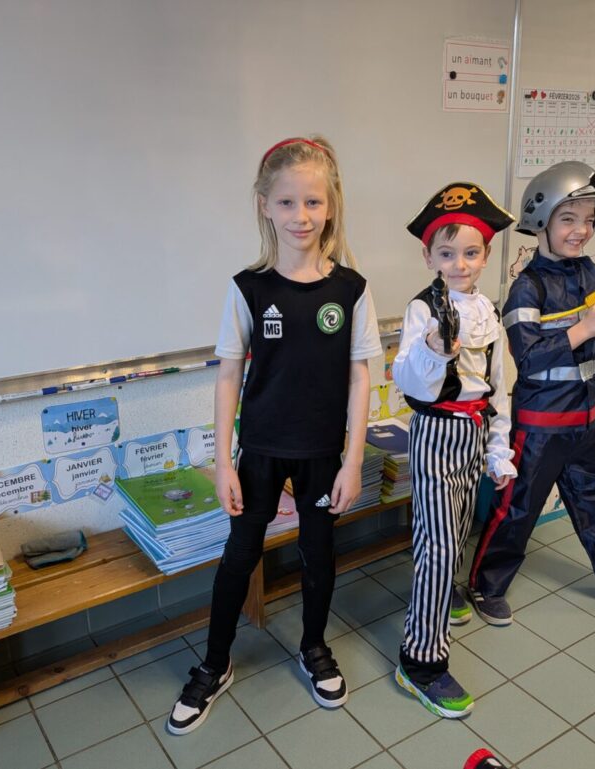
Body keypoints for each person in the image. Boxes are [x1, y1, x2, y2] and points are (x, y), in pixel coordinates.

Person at [166, 136, 382, 735]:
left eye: (313, 202)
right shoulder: (249, 288)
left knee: (319, 553)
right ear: (264, 205)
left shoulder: (352, 289)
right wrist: (223, 463)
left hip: (323, 453)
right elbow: (228, 376)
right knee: (239, 555)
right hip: (259, 451)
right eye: (286, 202)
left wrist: (352, 460)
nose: (300, 216)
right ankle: (214, 664)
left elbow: (360, 376)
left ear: (330, 206)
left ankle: (314, 647)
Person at [468, 161, 595, 625]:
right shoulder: (527, 288)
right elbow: (528, 358)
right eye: (568, 219)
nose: (582, 230)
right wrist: (582, 329)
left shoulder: (592, 273)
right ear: (541, 220)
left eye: (589, 220)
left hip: (586, 422)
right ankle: (485, 585)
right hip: (540, 427)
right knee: (517, 509)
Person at [391, 183, 518, 718]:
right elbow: (407, 380)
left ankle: (443, 595)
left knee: (458, 526)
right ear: (429, 256)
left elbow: (498, 386)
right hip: (436, 431)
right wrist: (433, 350)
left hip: (474, 432)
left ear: (486, 255)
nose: (459, 264)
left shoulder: (488, 310)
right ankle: (420, 660)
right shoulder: (423, 310)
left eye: (470, 253)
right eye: (447, 254)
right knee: (438, 545)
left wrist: (498, 448)